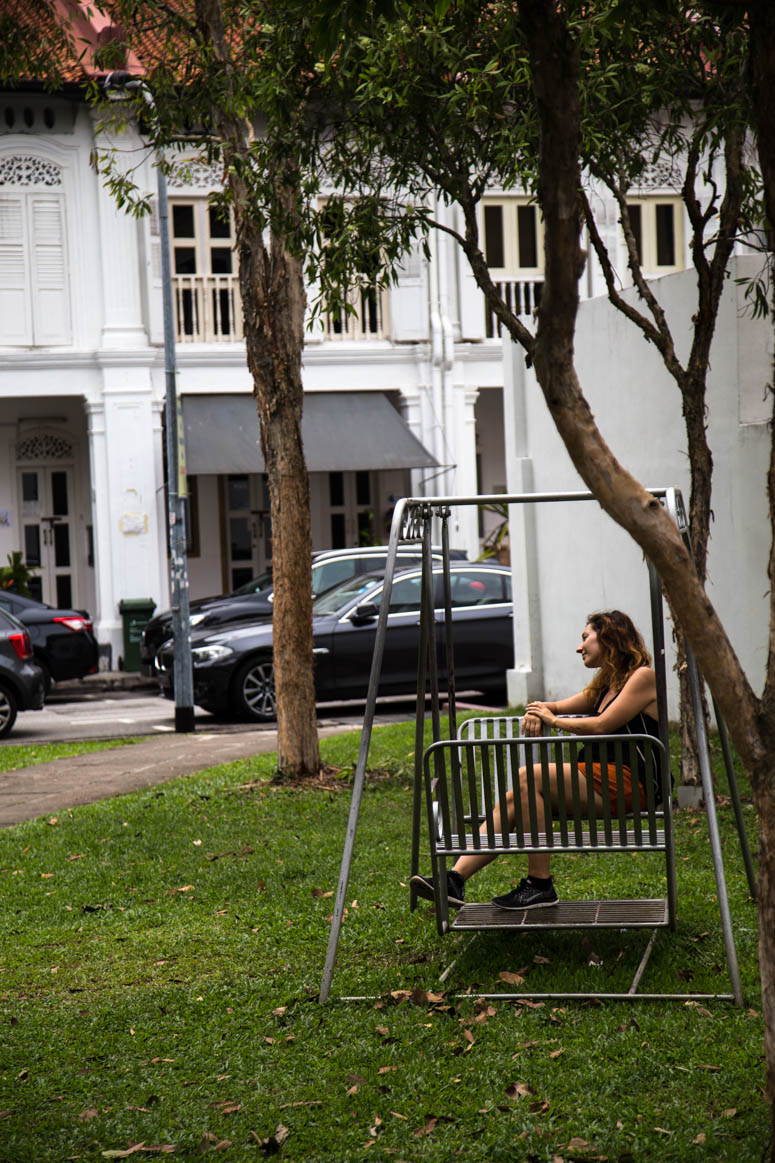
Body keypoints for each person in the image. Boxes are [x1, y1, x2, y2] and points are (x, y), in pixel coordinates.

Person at [411, 610, 662, 912]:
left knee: (532, 776)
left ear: (609, 637)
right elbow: (554, 706)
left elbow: (601, 725)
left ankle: (540, 884)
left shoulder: (643, 677)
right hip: (600, 781)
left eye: (585, 638)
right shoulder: (606, 683)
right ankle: (454, 879)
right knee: (515, 798)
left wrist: (552, 720)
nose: (579, 647)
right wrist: (537, 711)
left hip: (629, 783)